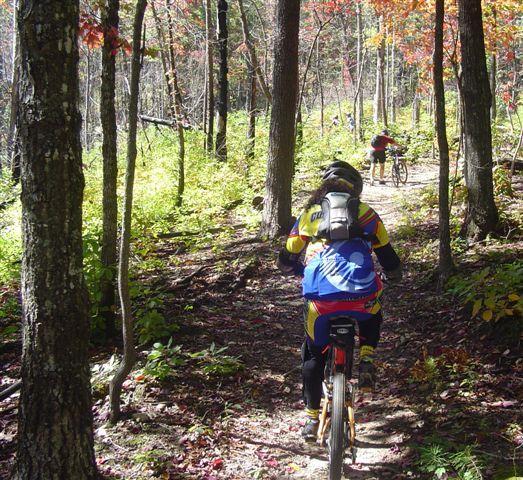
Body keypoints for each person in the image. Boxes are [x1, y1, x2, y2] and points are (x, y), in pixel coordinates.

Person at [277, 161, 402, 441]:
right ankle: (367, 357)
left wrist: (290, 267)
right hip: (361, 299)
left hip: (322, 303)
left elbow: (289, 252)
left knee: (312, 353)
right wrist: (394, 274)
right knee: (374, 304)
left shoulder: (310, 214)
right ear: (356, 189)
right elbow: (388, 256)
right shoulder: (367, 214)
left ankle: (311, 419)